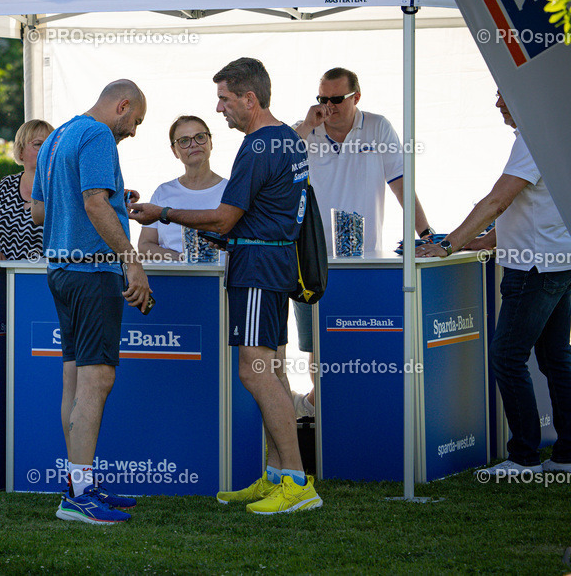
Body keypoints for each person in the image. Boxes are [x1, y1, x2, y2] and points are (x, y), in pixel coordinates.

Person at [130, 58, 322, 514]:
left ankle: (297, 484)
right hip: (269, 263)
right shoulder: (285, 138)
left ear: (249, 99)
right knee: (269, 369)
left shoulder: (258, 145)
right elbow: (250, 216)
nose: (220, 108)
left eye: (224, 99)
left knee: (254, 372)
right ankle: (276, 476)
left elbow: (223, 217)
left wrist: (164, 213)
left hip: (258, 268)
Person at [416, 91, 571, 475]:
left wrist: (448, 245)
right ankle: (566, 454)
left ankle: (524, 457)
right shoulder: (553, 134)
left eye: (504, 95)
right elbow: (535, 205)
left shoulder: (532, 139)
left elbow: (497, 201)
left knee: (507, 356)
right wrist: (487, 240)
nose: (498, 104)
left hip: (534, 268)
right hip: (557, 261)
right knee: (556, 358)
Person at [30, 79, 151, 524]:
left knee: (75, 381)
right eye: (136, 121)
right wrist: (132, 262)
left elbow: (39, 211)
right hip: (93, 271)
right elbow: (95, 203)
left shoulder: (57, 135)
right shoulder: (98, 134)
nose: (133, 131)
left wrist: (110, 203)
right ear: (123, 105)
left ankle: (79, 484)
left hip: (61, 270)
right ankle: (79, 494)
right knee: (96, 380)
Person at [290, 67, 433, 416]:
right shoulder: (304, 131)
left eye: (336, 99)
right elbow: (274, 163)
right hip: (310, 258)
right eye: (322, 98)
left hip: (363, 261)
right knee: (316, 345)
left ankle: (335, 411)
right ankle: (323, 416)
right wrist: (307, 125)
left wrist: (426, 234)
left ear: (357, 96)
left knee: (358, 338)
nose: (328, 106)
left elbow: (401, 184)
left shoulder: (378, 126)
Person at [137, 115, 227, 262]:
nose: (194, 144)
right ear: (174, 151)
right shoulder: (163, 192)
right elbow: (144, 245)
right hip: (173, 274)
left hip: (220, 275)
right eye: (184, 141)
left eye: (200, 137)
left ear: (211, 142)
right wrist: (183, 259)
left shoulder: (231, 190)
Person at [0, 119, 54, 260]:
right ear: (21, 151)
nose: (45, 149)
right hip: (7, 272)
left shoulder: (61, 187)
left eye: (50, 144)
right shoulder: (6, 185)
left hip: (47, 271)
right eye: (38, 144)